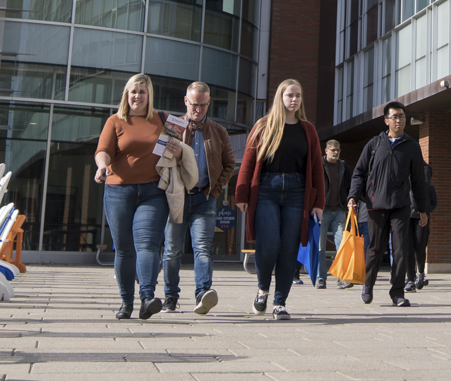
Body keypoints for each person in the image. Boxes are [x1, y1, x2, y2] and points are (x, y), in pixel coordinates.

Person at [234, 79, 326, 320]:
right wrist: (241, 194)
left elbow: (316, 167)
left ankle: (279, 302)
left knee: (288, 249)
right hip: (266, 189)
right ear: (280, 98)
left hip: (297, 191)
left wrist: (319, 203)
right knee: (270, 243)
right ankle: (262, 290)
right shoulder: (264, 126)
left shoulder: (308, 130)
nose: (294, 99)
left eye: (297, 95)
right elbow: (248, 161)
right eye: (289, 95)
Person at [95, 74, 170, 320]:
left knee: (148, 244)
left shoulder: (163, 120)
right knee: (125, 250)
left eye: (142, 92)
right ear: (126, 95)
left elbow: (176, 148)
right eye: (133, 91)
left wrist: (178, 150)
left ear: (150, 96)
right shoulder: (115, 121)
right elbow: (103, 150)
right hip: (119, 191)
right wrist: (102, 166)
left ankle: (147, 297)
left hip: (153, 191)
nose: (137, 96)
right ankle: (126, 302)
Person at [348, 101, 434, 307]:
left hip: (401, 205)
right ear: (386, 120)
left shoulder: (412, 146)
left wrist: (423, 209)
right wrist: (353, 196)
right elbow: (359, 172)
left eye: (402, 116)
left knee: (401, 250)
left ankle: (397, 292)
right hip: (375, 204)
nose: (398, 120)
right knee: (375, 248)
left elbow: (418, 181)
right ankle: (368, 285)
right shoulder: (375, 144)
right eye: (394, 116)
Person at [160, 82, 235, 316]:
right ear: (186, 101)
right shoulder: (173, 125)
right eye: (194, 104)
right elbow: (161, 160)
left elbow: (229, 165)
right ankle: (170, 298)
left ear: (209, 102)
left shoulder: (219, 131)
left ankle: (203, 294)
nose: (198, 109)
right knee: (172, 250)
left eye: (203, 105)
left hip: (204, 198)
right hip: (177, 197)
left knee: (203, 248)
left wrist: (213, 192)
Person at [316, 140, 353, 289]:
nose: (335, 152)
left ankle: (341, 278)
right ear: (326, 151)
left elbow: (350, 186)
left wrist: (350, 200)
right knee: (320, 246)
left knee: (342, 245)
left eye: (338, 150)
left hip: (339, 209)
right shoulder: (318, 165)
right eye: (332, 150)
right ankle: (321, 278)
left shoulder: (344, 167)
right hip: (322, 210)